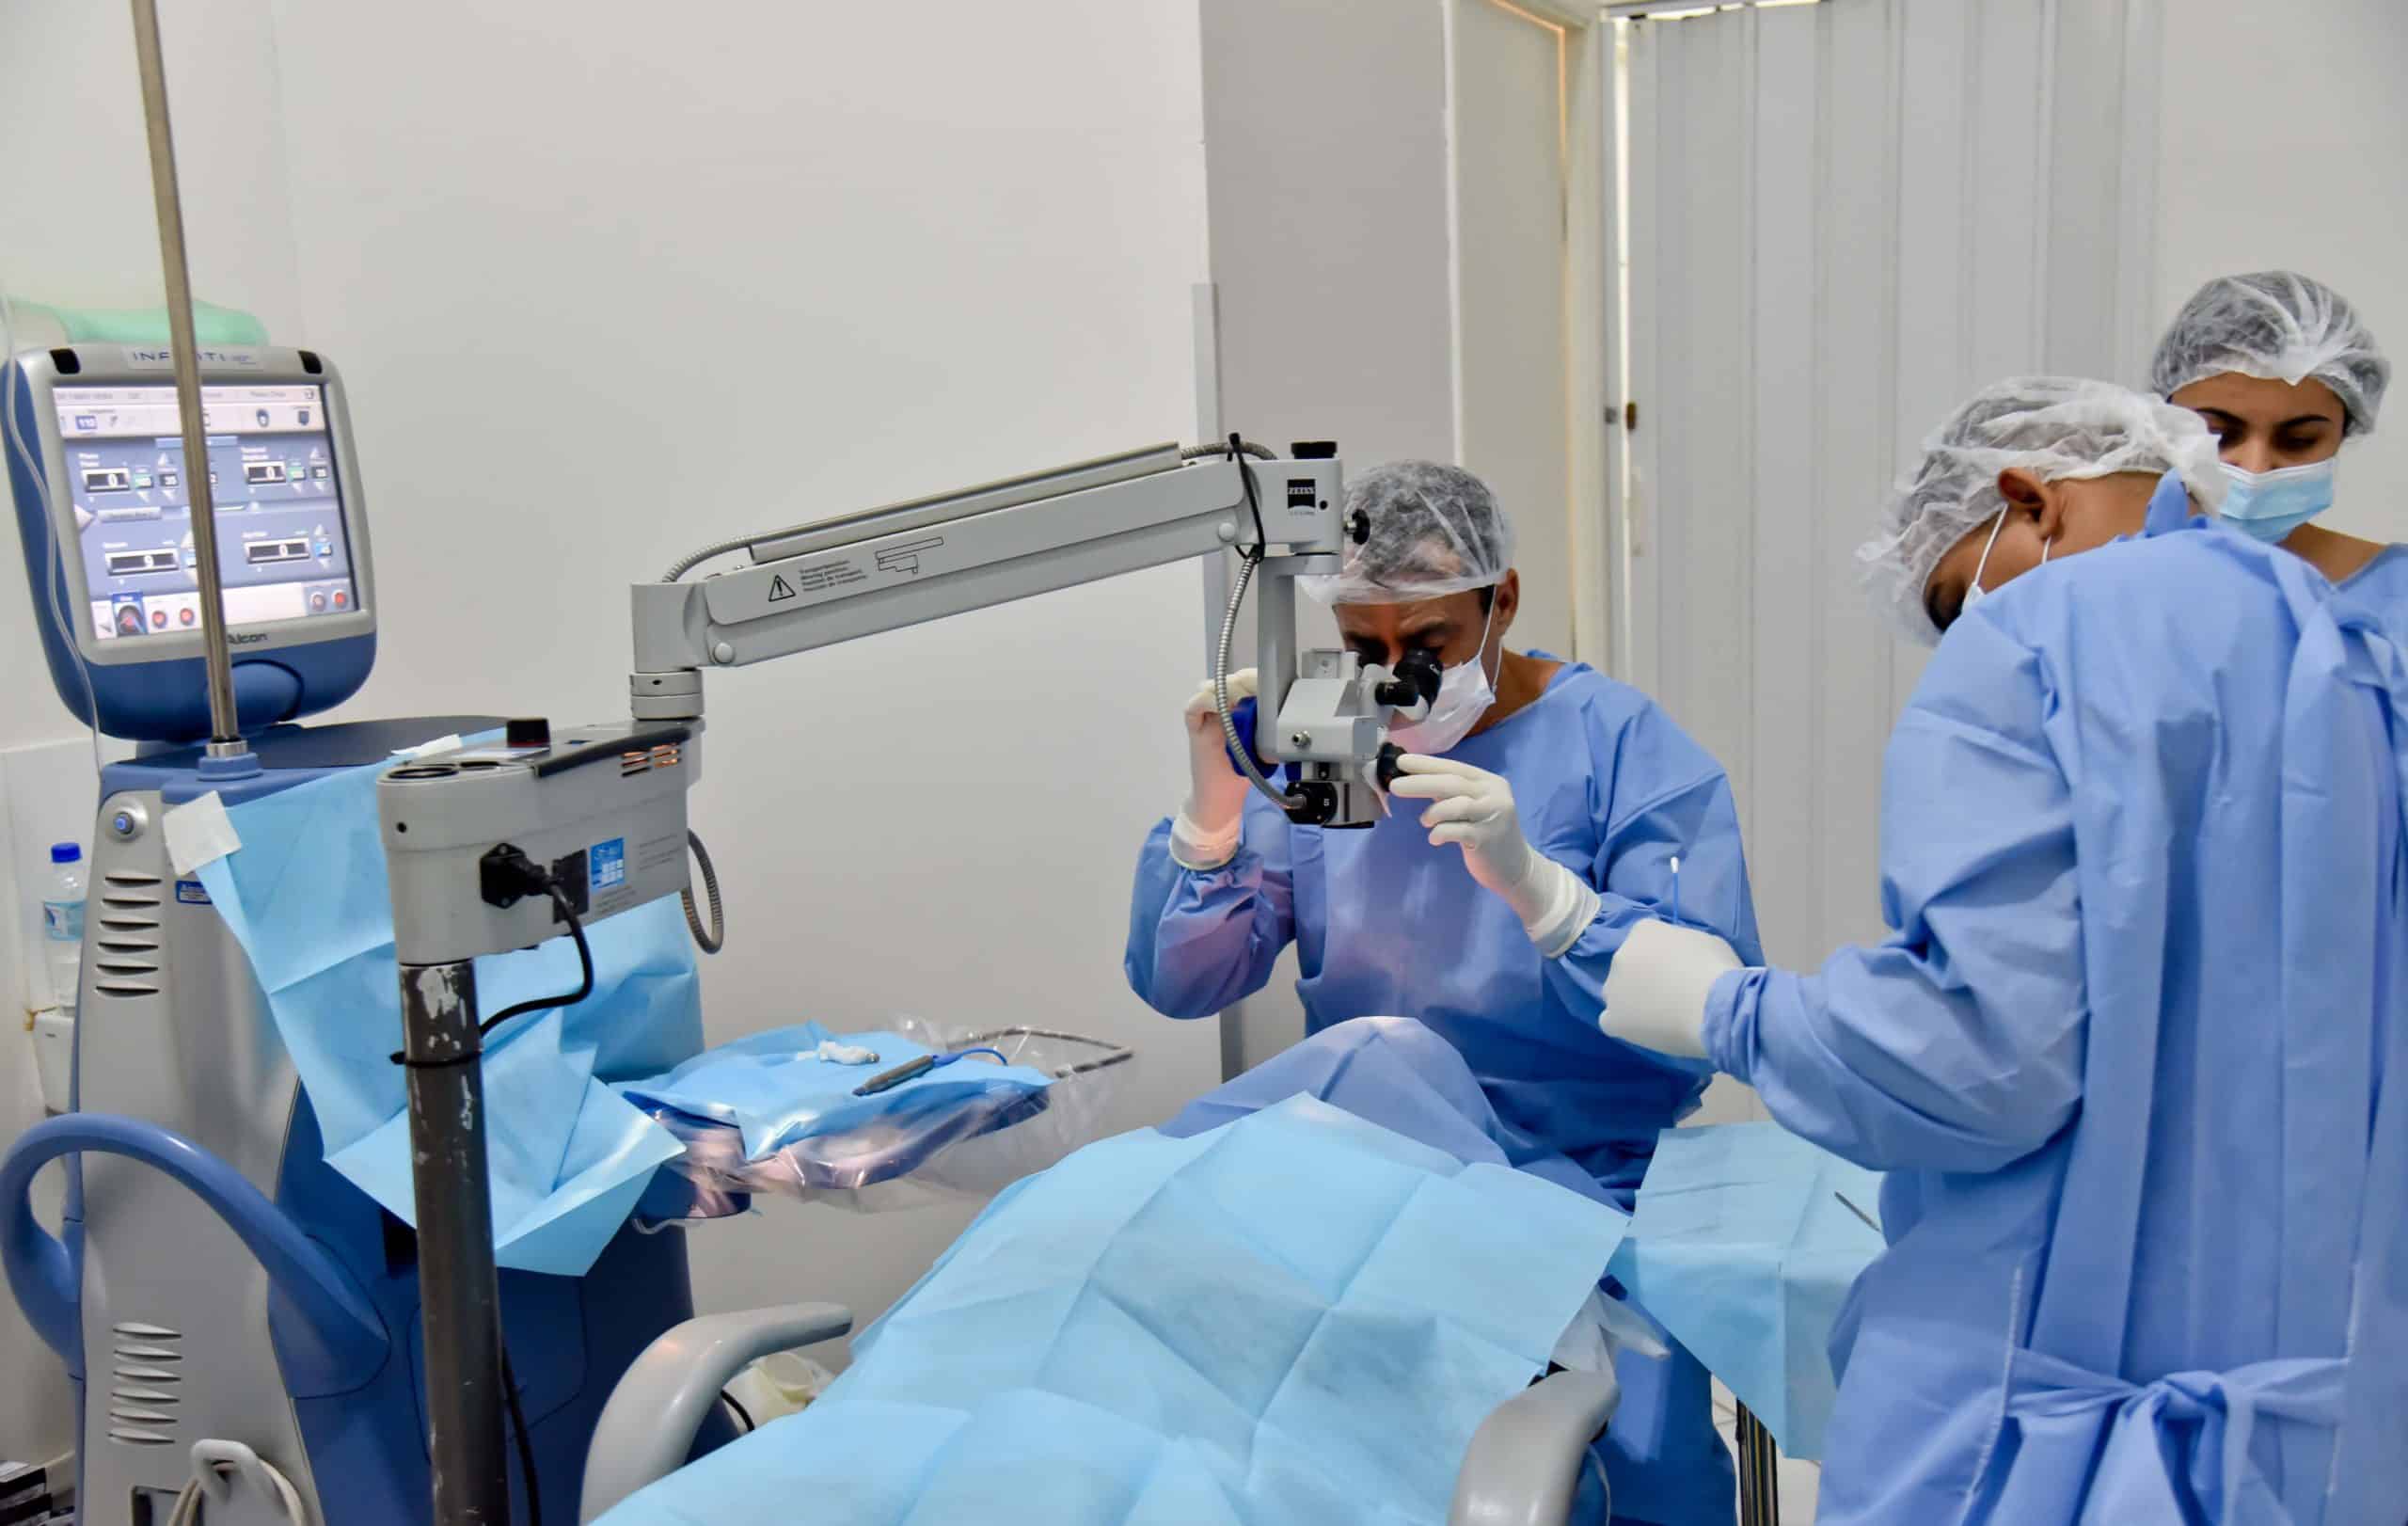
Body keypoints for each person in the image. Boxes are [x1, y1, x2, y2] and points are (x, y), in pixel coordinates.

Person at [1597, 378, 2408, 1524]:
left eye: (1950, 595)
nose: (1960, 627)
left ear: (2030, 500)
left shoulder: (2041, 634)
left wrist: (1728, 1009)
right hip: (2311, 1432)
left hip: (2051, 1435)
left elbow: (1980, 1058)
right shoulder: (2350, 645)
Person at [1126, 460, 1760, 1525]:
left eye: (1428, 644)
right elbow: (1187, 982)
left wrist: (1544, 892)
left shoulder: (1622, 749)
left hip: (1580, 1189)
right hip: (1369, 1176)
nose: (1393, 682)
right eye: (1363, 648)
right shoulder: (1331, 737)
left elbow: (1700, 1020)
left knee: (1619, 1468)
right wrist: (1214, 812)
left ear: (1501, 599)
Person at [2152, 269, 2396, 592]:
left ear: (2343, 433)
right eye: (2218, 434)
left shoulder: (2396, 592)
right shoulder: (2103, 584)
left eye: (2298, 441)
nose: (2255, 470)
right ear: (2162, 422)